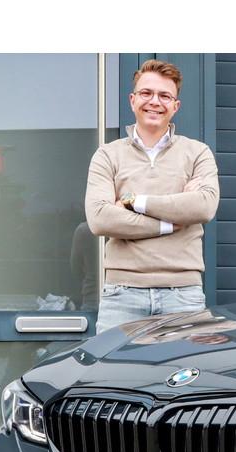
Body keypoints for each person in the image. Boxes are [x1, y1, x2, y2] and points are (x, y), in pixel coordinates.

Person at [85, 59, 219, 333]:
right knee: (111, 364)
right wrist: (170, 223)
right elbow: (99, 219)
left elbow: (204, 207)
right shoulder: (107, 155)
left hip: (183, 294)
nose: (154, 101)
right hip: (122, 294)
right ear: (132, 100)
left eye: (164, 96)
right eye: (146, 93)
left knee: (186, 364)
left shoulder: (198, 153)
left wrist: (134, 202)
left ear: (175, 106)